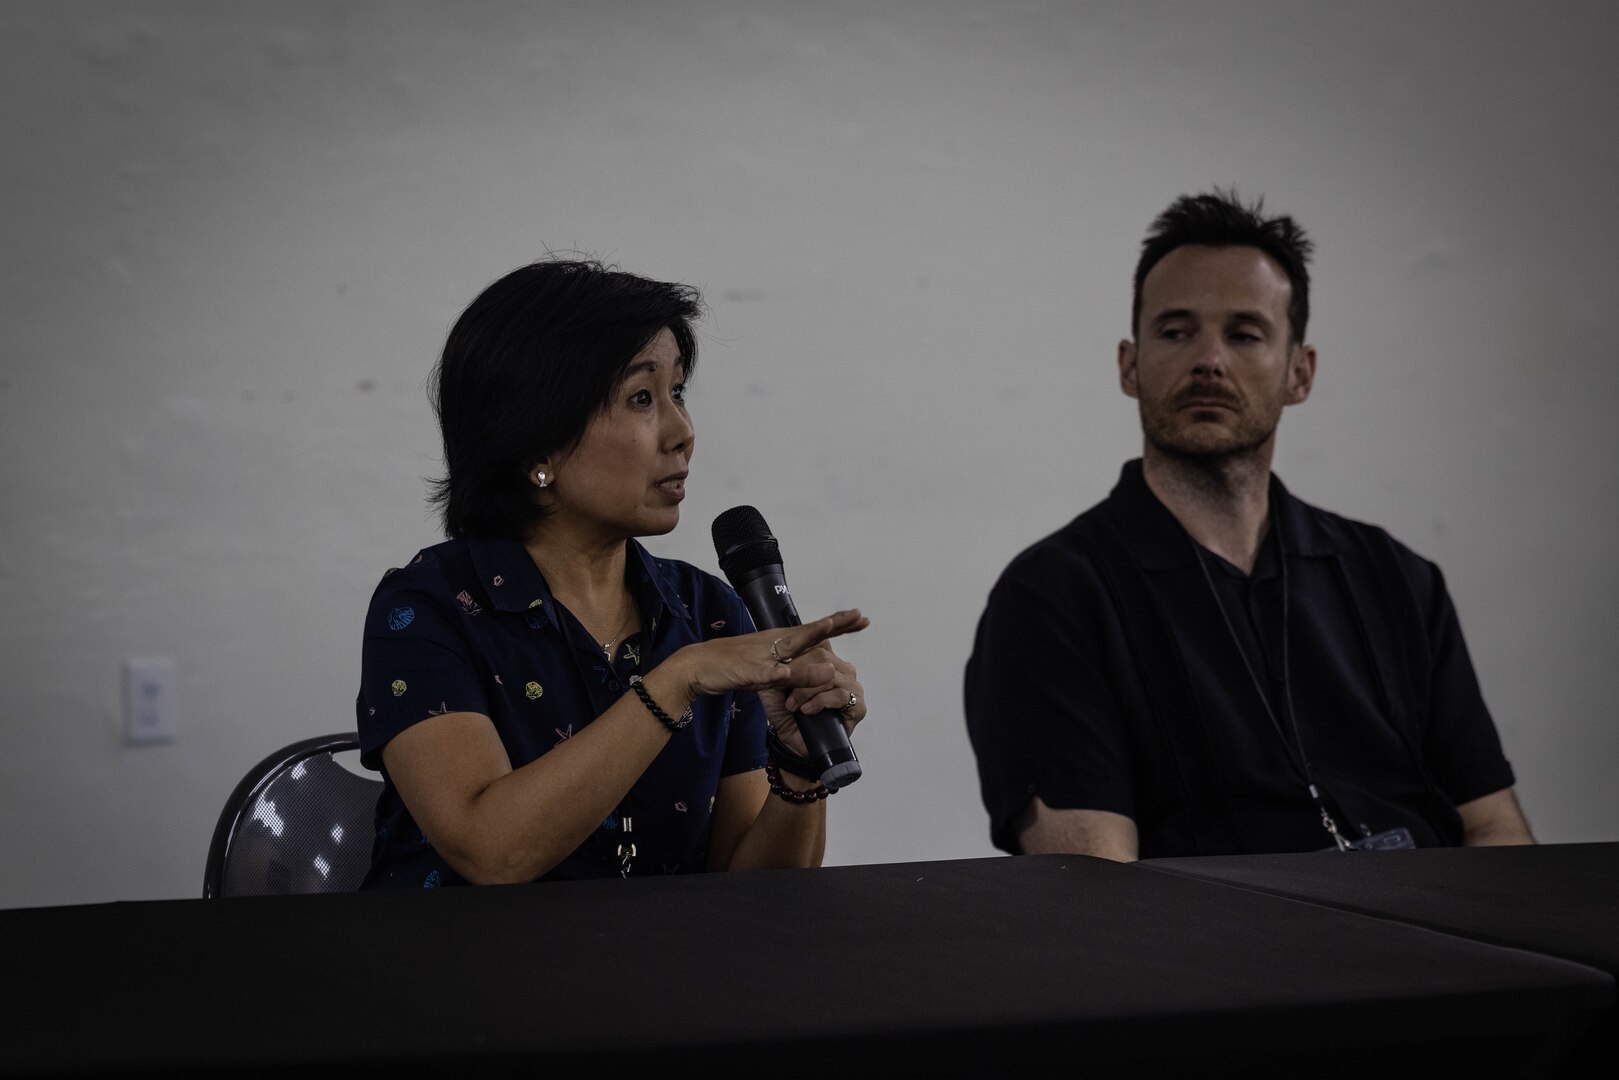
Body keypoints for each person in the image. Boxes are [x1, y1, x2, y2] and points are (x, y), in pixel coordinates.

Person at [964, 190, 1533, 861]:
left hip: (1453, 955)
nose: (1208, 360)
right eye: (1175, 332)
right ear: (1129, 365)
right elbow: (1095, 895)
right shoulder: (1053, 598)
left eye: (1243, 334)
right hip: (1223, 962)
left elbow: (1495, 832)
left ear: (1299, 371)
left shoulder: (1399, 580)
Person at [356, 259, 869, 887]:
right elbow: (490, 852)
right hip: (461, 976)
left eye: (678, 392)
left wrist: (796, 762)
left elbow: (755, 899)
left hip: (655, 979)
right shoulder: (428, 610)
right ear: (534, 447)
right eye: (642, 398)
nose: (683, 432)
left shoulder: (707, 611)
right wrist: (676, 681)